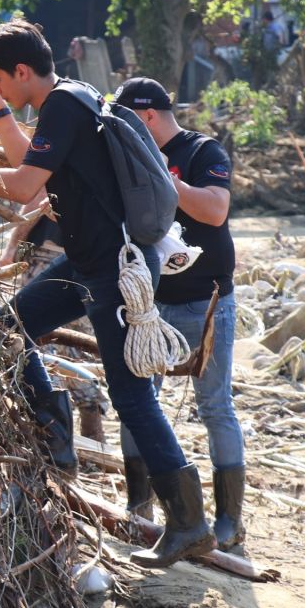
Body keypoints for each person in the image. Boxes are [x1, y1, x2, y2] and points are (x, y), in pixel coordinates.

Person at [0, 21, 214, 569]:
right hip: (89, 260)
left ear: (22, 71)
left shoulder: (65, 108)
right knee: (9, 324)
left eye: (0, 79)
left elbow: (25, 186)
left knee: (132, 396)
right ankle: (55, 430)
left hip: (114, 268)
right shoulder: (74, 99)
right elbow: (35, 164)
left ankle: (189, 523)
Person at [112, 77, 246, 550]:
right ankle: (140, 507)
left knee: (214, 407)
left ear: (146, 118)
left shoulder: (203, 152)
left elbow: (214, 211)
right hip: (150, 305)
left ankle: (230, 520)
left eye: (129, 124)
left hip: (207, 303)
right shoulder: (128, 154)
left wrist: (170, 186)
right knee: (137, 404)